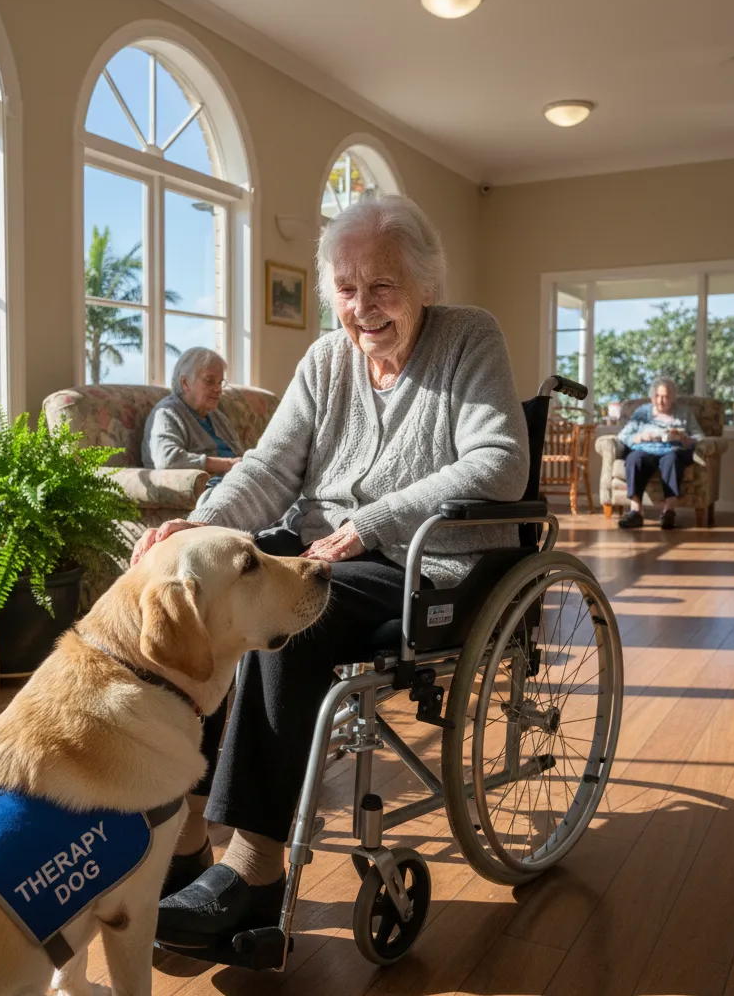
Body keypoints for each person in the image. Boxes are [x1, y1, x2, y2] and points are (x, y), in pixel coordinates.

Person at [132, 195, 529, 944]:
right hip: (317, 550)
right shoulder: (324, 360)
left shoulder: (469, 337)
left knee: (284, 619)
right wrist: (201, 527)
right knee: (205, 602)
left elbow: (501, 464)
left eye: (383, 286)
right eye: (346, 289)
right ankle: (184, 836)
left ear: (425, 284)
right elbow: (269, 467)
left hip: (422, 560)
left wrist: (370, 522)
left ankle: (254, 869)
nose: (363, 307)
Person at [142, 347, 243, 489]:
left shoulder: (218, 417)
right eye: (209, 381)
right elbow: (167, 459)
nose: (218, 389)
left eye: (220, 383)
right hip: (213, 488)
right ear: (185, 383)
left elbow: (240, 455)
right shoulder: (167, 413)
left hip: (238, 482)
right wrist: (229, 464)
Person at [615, 377, 704, 530]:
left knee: (672, 460)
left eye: (666, 397)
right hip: (645, 449)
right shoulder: (642, 412)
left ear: (673, 397)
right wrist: (639, 437)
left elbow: (699, 437)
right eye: (657, 396)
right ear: (652, 397)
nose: (661, 401)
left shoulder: (684, 413)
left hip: (672, 450)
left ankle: (669, 512)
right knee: (634, 459)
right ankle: (636, 512)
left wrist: (685, 439)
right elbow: (623, 436)